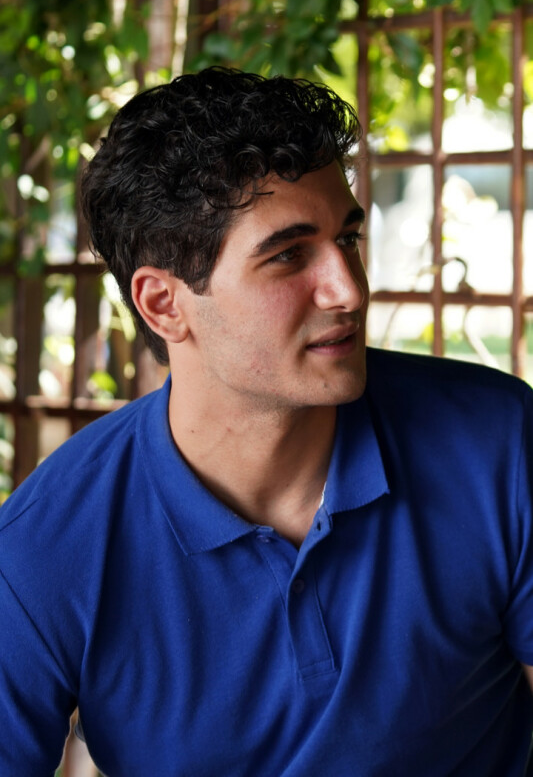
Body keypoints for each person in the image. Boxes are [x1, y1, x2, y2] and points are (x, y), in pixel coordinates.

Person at [0, 66, 532, 777]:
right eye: (288, 256)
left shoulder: (497, 441)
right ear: (163, 305)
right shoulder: (46, 544)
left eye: (347, 239)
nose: (348, 289)